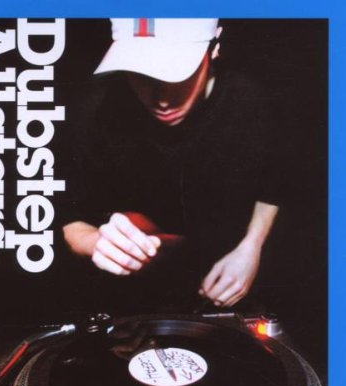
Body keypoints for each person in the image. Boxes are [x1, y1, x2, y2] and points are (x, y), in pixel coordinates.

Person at [61, 18, 281, 311]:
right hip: (128, 301)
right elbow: (67, 215)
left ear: (215, 46)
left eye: (177, 73)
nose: (161, 99)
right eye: (140, 73)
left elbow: (275, 185)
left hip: (229, 291)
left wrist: (251, 247)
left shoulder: (253, 102)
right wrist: (94, 242)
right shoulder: (92, 110)